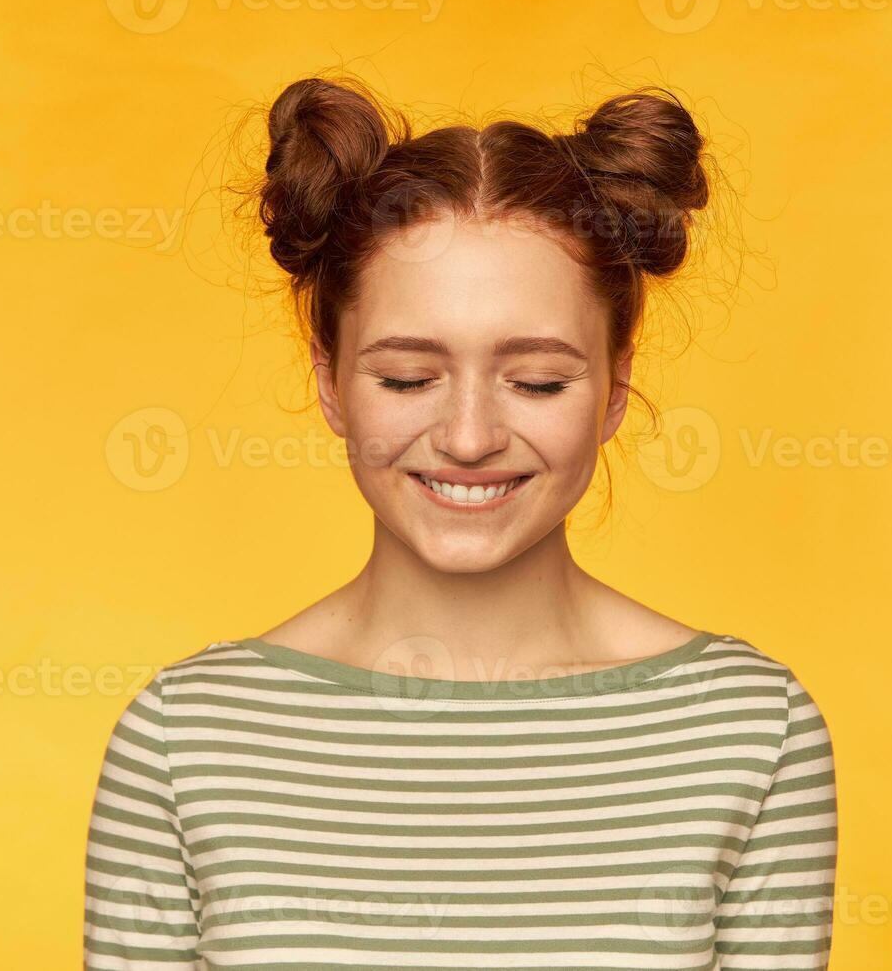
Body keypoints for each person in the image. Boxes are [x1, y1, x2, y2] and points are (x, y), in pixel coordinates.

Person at [83, 75, 837, 969]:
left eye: (538, 381)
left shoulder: (749, 728)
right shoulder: (185, 737)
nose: (470, 437)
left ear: (616, 385)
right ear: (328, 379)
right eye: (407, 377)